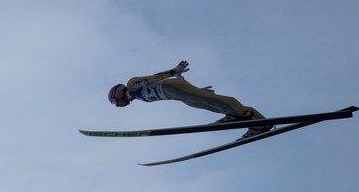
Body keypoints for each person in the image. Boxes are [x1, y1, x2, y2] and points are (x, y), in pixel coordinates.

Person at [108, 61, 273, 138]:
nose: (118, 106)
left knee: (213, 101)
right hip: (175, 95)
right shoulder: (138, 97)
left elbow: (152, 78)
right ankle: (257, 123)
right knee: (205, 104)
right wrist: (196, 90)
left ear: (118, 93)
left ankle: (241, 115)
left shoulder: (131, 84)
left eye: (115, 102)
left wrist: (173, 72)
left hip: (170, 87)